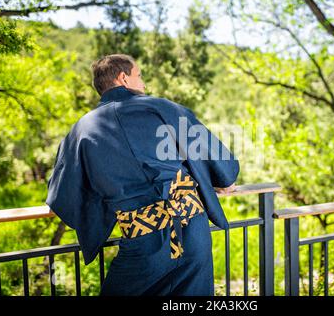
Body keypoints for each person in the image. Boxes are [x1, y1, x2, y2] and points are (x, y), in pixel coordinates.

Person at [45, 54, 239, 296]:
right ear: (123, 78)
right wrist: (221, 180)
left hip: (143, 238)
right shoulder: (164, 108)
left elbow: (61, 196)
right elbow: (220, 163)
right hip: (193, 231)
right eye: (139, 76)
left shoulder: (81, 131)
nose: (144, 83)